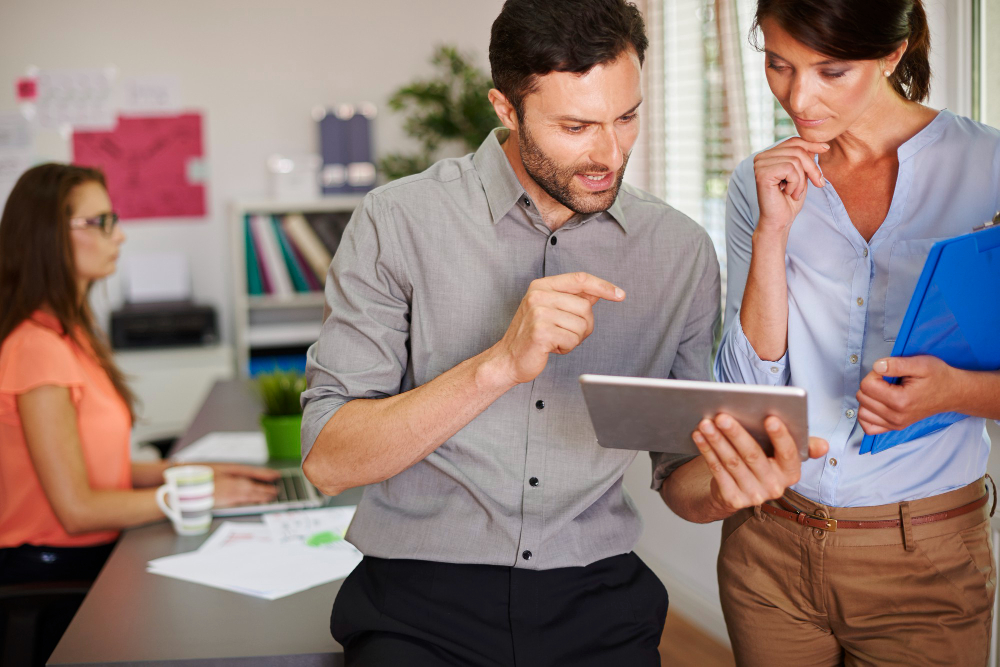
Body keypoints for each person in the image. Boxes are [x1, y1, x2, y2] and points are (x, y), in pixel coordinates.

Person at [299, 0, 794, 663]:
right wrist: (500, 362)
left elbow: (679, 475)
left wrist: (727, 488)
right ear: (506, 109)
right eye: (576, 125)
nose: (608, 153)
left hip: (600, 599)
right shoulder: (398, 222)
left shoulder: (679, 251)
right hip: (417, 602)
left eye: (626, 118)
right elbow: (329, 461)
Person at [659, 0, 1000, 664]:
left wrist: (954, 391)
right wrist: (773, 231)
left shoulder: (988, 171)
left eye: (831, 71)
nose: (799, 96)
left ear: (892, 56)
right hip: (770, 548)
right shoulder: (758, 181)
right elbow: (749, 386)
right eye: (778, 65)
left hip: (924, 558)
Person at [0, 163, 280, 663]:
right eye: (101, 222)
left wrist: (190, 472)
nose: (120, 235)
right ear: (47, 236)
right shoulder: (36, 349)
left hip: (88, 552)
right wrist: (195, 496)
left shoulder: (71, 335)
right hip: (53, 570)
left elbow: (94, 469)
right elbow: (77, 507)